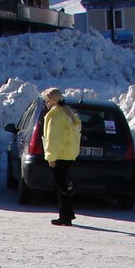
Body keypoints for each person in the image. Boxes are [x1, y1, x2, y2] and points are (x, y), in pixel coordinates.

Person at [40, 87, 82, 226]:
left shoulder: (55, 115)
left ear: (50, 101)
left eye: (46, 100)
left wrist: (51, 157)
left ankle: (65, 216)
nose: (45, 103)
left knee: (60, 187)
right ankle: (67, 214)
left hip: (60, 155)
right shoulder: (67, 112)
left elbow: (54, 138)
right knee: (62, 184)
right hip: (68, 154)